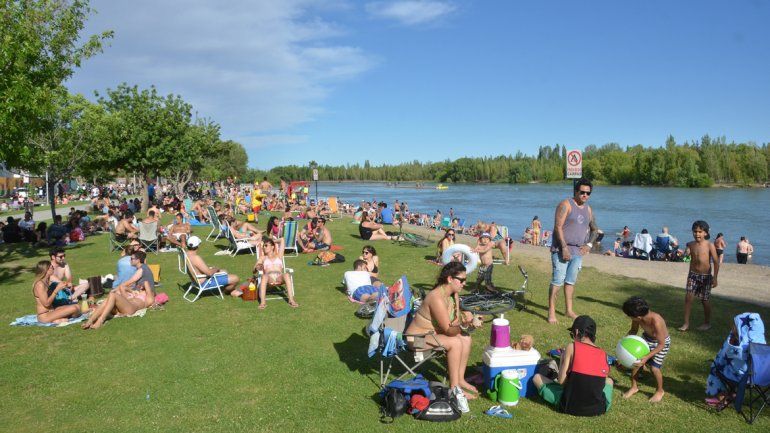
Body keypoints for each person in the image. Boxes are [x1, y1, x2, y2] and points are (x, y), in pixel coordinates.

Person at [405, 262, 482, 413]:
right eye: (461, 280)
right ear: (449, 279)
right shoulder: (436, 298)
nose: (464, 283)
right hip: (415, 339)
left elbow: (454, 322)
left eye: (465, 280)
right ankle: (454, 390)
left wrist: (465, 319)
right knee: (455, 342)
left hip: (432, 335)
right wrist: (466, 325)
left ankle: (460, 379)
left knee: (466, 338)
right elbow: (449, 330)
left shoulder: (453, 294)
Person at [532, 315, 613, 416]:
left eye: (572, 334)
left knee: (537, 378)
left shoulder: (572, 347)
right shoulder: (603, 354)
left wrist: (562, 360)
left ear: (577, 332)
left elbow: (561, 381)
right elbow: (601, 383)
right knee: (609, 380)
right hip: (599, 409)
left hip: (569, 406)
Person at [548, 178, 599, 324]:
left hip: (578, 251)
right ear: (576, 191)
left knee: (570, 282)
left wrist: (589, 244)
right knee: (557, 281)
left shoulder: (588, 209)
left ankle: (569, 310)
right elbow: (558, 227)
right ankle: (551, 312)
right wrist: (563, 248)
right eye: (582, 192)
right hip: (561, 249)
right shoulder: (565, 204)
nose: (584, 195)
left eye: (587, 193)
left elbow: (595, 229)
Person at [83, 251, 156, 329]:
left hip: (131, 308)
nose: (130, 260)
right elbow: (125, 286)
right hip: (125, 305)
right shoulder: (137, 291)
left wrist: (145, 285)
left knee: (113, 295)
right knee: (108, 300)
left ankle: (100, 320)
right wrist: (132, 291)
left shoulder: (149, 296)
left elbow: (134, 282)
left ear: (138, 260)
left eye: (132, 259)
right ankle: (90, 320)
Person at [622, 296, 670, 402]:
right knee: (636, 362)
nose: (630, 318)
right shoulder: (637, 319)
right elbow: (633, 330)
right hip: (646, 339)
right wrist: (625, 341)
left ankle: (660, 391)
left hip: (661, 343)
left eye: (630, 316)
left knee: (654, 368)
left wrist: (647, 357)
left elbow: (661, 344)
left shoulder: (656, 321)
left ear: (638, 317)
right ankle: (634, 387)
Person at [679, 220, 719, 332]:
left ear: (705, 233)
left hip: (706, 277)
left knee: (704, 300)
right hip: (693, 275)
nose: (697, 234)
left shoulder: (710, 245)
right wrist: (685, 252)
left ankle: (707, 323)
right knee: (688, 298)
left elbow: (716, 262)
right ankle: (686, 323)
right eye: (695, 231)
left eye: (700, 232)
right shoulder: (691, 244)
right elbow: (687, 254)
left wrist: (715, 277)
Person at [254, 238, 298, 309]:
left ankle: (291, 300)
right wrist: (257, 267)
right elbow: (254, 269)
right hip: (269, 278)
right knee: (264, 276)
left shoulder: (279, 256)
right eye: (263, 246)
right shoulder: (263, 258)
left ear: (272, 247)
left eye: (266, 245)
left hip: (279, 277)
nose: (264, 247)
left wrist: (271, 241)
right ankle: (263, 302)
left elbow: (282, 240)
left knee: (286, 274)